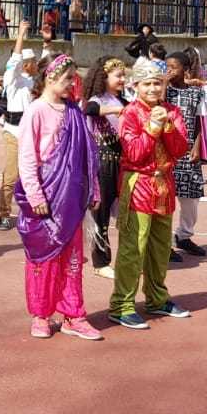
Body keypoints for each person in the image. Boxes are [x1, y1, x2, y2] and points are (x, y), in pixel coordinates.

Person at [13, 55, 105, 341]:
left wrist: (94, 189)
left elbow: (87, 155)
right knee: (44, 258)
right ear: (51, 77)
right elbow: (27, 157)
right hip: (46, 194)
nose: (72, 84)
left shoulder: (74, 111)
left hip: (72, 197)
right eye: (68, 79)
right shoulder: (36, 111)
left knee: (73, 259)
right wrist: (35, 195)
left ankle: (73, 315)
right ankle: (41, 314)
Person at [108, 58, 192, 331]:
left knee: (160, 247)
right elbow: (134, 153)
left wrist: (166, 125)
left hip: (164, 185)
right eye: (147, 84)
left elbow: (180, 149)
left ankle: (157, 298)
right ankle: (122, 305)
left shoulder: (172, 111)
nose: (154, 88)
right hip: (139, 186)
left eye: (158, 83)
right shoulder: (130, 113)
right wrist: (153, 127)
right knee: (133, 247)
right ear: (136, 86)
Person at [83, 57, 127, 278]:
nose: (122, 79)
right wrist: (113, 110)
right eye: (118, 75)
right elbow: (89, 110)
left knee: (127, 213)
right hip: (103, 162)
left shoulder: (124, 101)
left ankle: (129, 258)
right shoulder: (97, 100)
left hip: (122, 161)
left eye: (123, 75)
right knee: (100, 213)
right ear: (105, 77)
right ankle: (101, 262)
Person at [164, 52, 207, 262]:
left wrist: (197, 147)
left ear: (186, 70)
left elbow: (199, 122)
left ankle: (183, 236)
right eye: (167, 67)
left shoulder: (196, 93)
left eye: (174, 67)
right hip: (166, 152)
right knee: (165, 199)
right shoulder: (163, 91)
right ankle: (164, 243)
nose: (169, 71)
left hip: (188, 150)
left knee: (191, 197)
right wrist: (164, 84)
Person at [0, 21, 39, 230]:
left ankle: (30, 212)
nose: (36, 65)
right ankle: (4, 213)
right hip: (13, 132)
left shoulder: (34, 82)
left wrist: (47, 42)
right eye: (34, 62)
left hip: (31, 133)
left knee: (32, 174)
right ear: (26, 64)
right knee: (12, 175)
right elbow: (14, 61)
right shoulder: (12, 80)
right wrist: (21, 35)